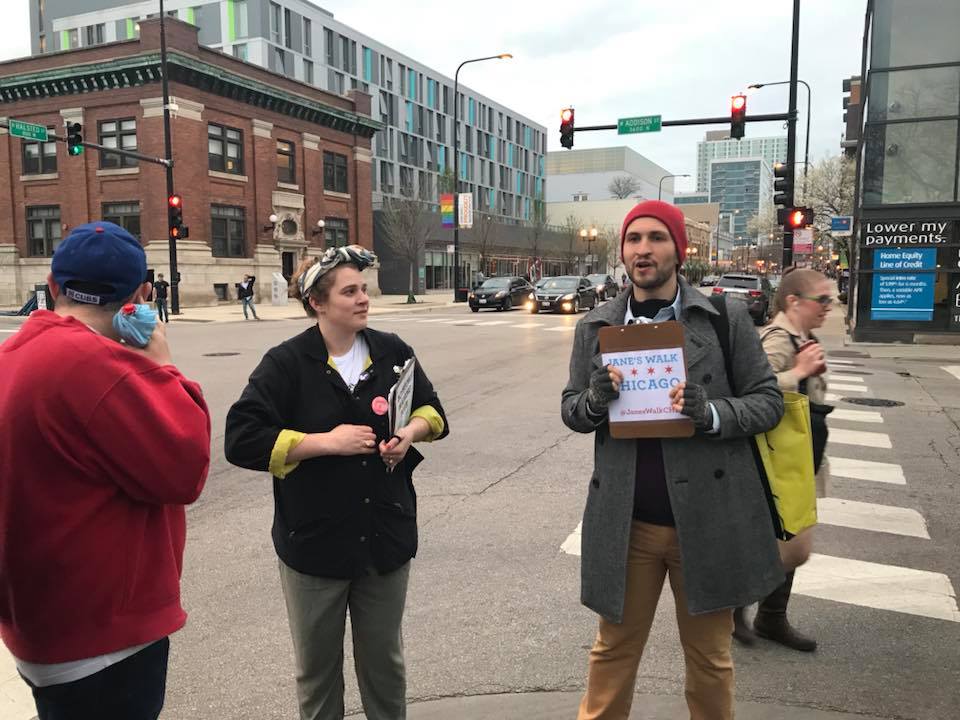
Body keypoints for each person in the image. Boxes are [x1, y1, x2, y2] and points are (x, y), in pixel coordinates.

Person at [561, 201, 784, 720]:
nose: (643, 249)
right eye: (633, 238)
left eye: (657, 237)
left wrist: (709, 414)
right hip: (628, 523)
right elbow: (572, 409)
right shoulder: (597, 326)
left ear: (678, 250)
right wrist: (595, 401)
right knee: (612, 653)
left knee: (709, 659)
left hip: (707, 520)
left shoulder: (725, 318)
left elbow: (767, 401)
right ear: (623, 251)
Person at [224, 245, 448, 720]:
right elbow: (241, 439)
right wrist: (325, 442)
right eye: (350, 291)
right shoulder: (286, 363)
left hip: (385, 539)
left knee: (384, 666)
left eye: (363, 289)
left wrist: (408, 433)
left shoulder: (393, 351)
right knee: (318, 672)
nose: (364, 298)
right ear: (318, 304)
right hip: (314, 546)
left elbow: (433, 411)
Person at [0, 221, 211, 720]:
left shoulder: (13, 356)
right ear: (140, 294)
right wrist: (162, 366)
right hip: (101, 640)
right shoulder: (97, 368)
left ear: (52, 286)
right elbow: (185, 468)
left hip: (39, 623)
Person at [735, 267, 833, 652]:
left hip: (797, 456)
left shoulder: (801, 336)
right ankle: (742, 608)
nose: (829, 307)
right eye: (822, 300)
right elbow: (753, 390)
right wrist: (800, 372)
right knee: (788, 543)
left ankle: (770, 615)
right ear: (794, 301)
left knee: (789, 538)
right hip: (778, 460)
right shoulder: (778, 340)